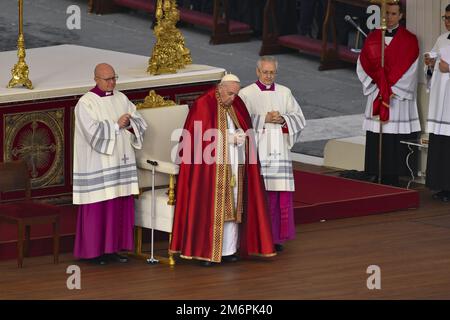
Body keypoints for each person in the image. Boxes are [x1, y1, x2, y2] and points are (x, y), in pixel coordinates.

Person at [169, 74, 276, 267]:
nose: (233, 98)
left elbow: (244, 125)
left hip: (235, 164)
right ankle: (207, 253)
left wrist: (243, 136)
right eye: (230, 94)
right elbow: (196, 139)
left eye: (235, 94)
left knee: (234, 207)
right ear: (220, 88)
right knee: (209, 207)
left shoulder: (236, 103)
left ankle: (228, 250)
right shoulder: (204, 104)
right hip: (209, 169)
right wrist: (227, 138)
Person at [73, 63, 147, 265]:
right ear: (96, 79)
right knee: (98, 207)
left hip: (120, 162)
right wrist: (116, 125)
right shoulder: (86, 103)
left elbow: (139, 121)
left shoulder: (121, 98)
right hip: (98, 164)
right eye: (107, 79)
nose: (112, 82)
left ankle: (112, 249)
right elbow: (91, 133)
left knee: (117, 206)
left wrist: (130, 123)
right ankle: (94, 252)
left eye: (114, 78)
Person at [239, 56, 306, 252]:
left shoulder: (285, 92)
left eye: (272, 72)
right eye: (265, 72)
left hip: (279, 150)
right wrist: (263, 119)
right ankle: (257, 236)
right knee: (260, 195)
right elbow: (239, 121)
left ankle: (276, 237)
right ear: (257, 72)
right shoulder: (246, 94)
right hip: (259, 150)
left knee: (278, 195)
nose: (269, 76)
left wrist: (284, 119)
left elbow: (299, 118)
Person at [357, 2, 420, 186]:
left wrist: (392, 90)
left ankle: (393, 175)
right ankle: (373, 171)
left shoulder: (409, 40)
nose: (389, 17)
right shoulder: (373, 38)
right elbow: (362, 64)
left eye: (393, 14)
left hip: (395, 98)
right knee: (377, 132)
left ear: (401, 16)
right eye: (386, 13)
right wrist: (377, 83)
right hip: (377, 92)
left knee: (392, 135)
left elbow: (412, 69)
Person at [424, 4, 450, 202]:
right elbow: (434, 65)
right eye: (446, 17)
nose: (447, 21)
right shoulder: (441, 39)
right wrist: (430, 64)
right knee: (441, 143)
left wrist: (449, 68)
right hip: (441, 102)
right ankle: (442, 185)